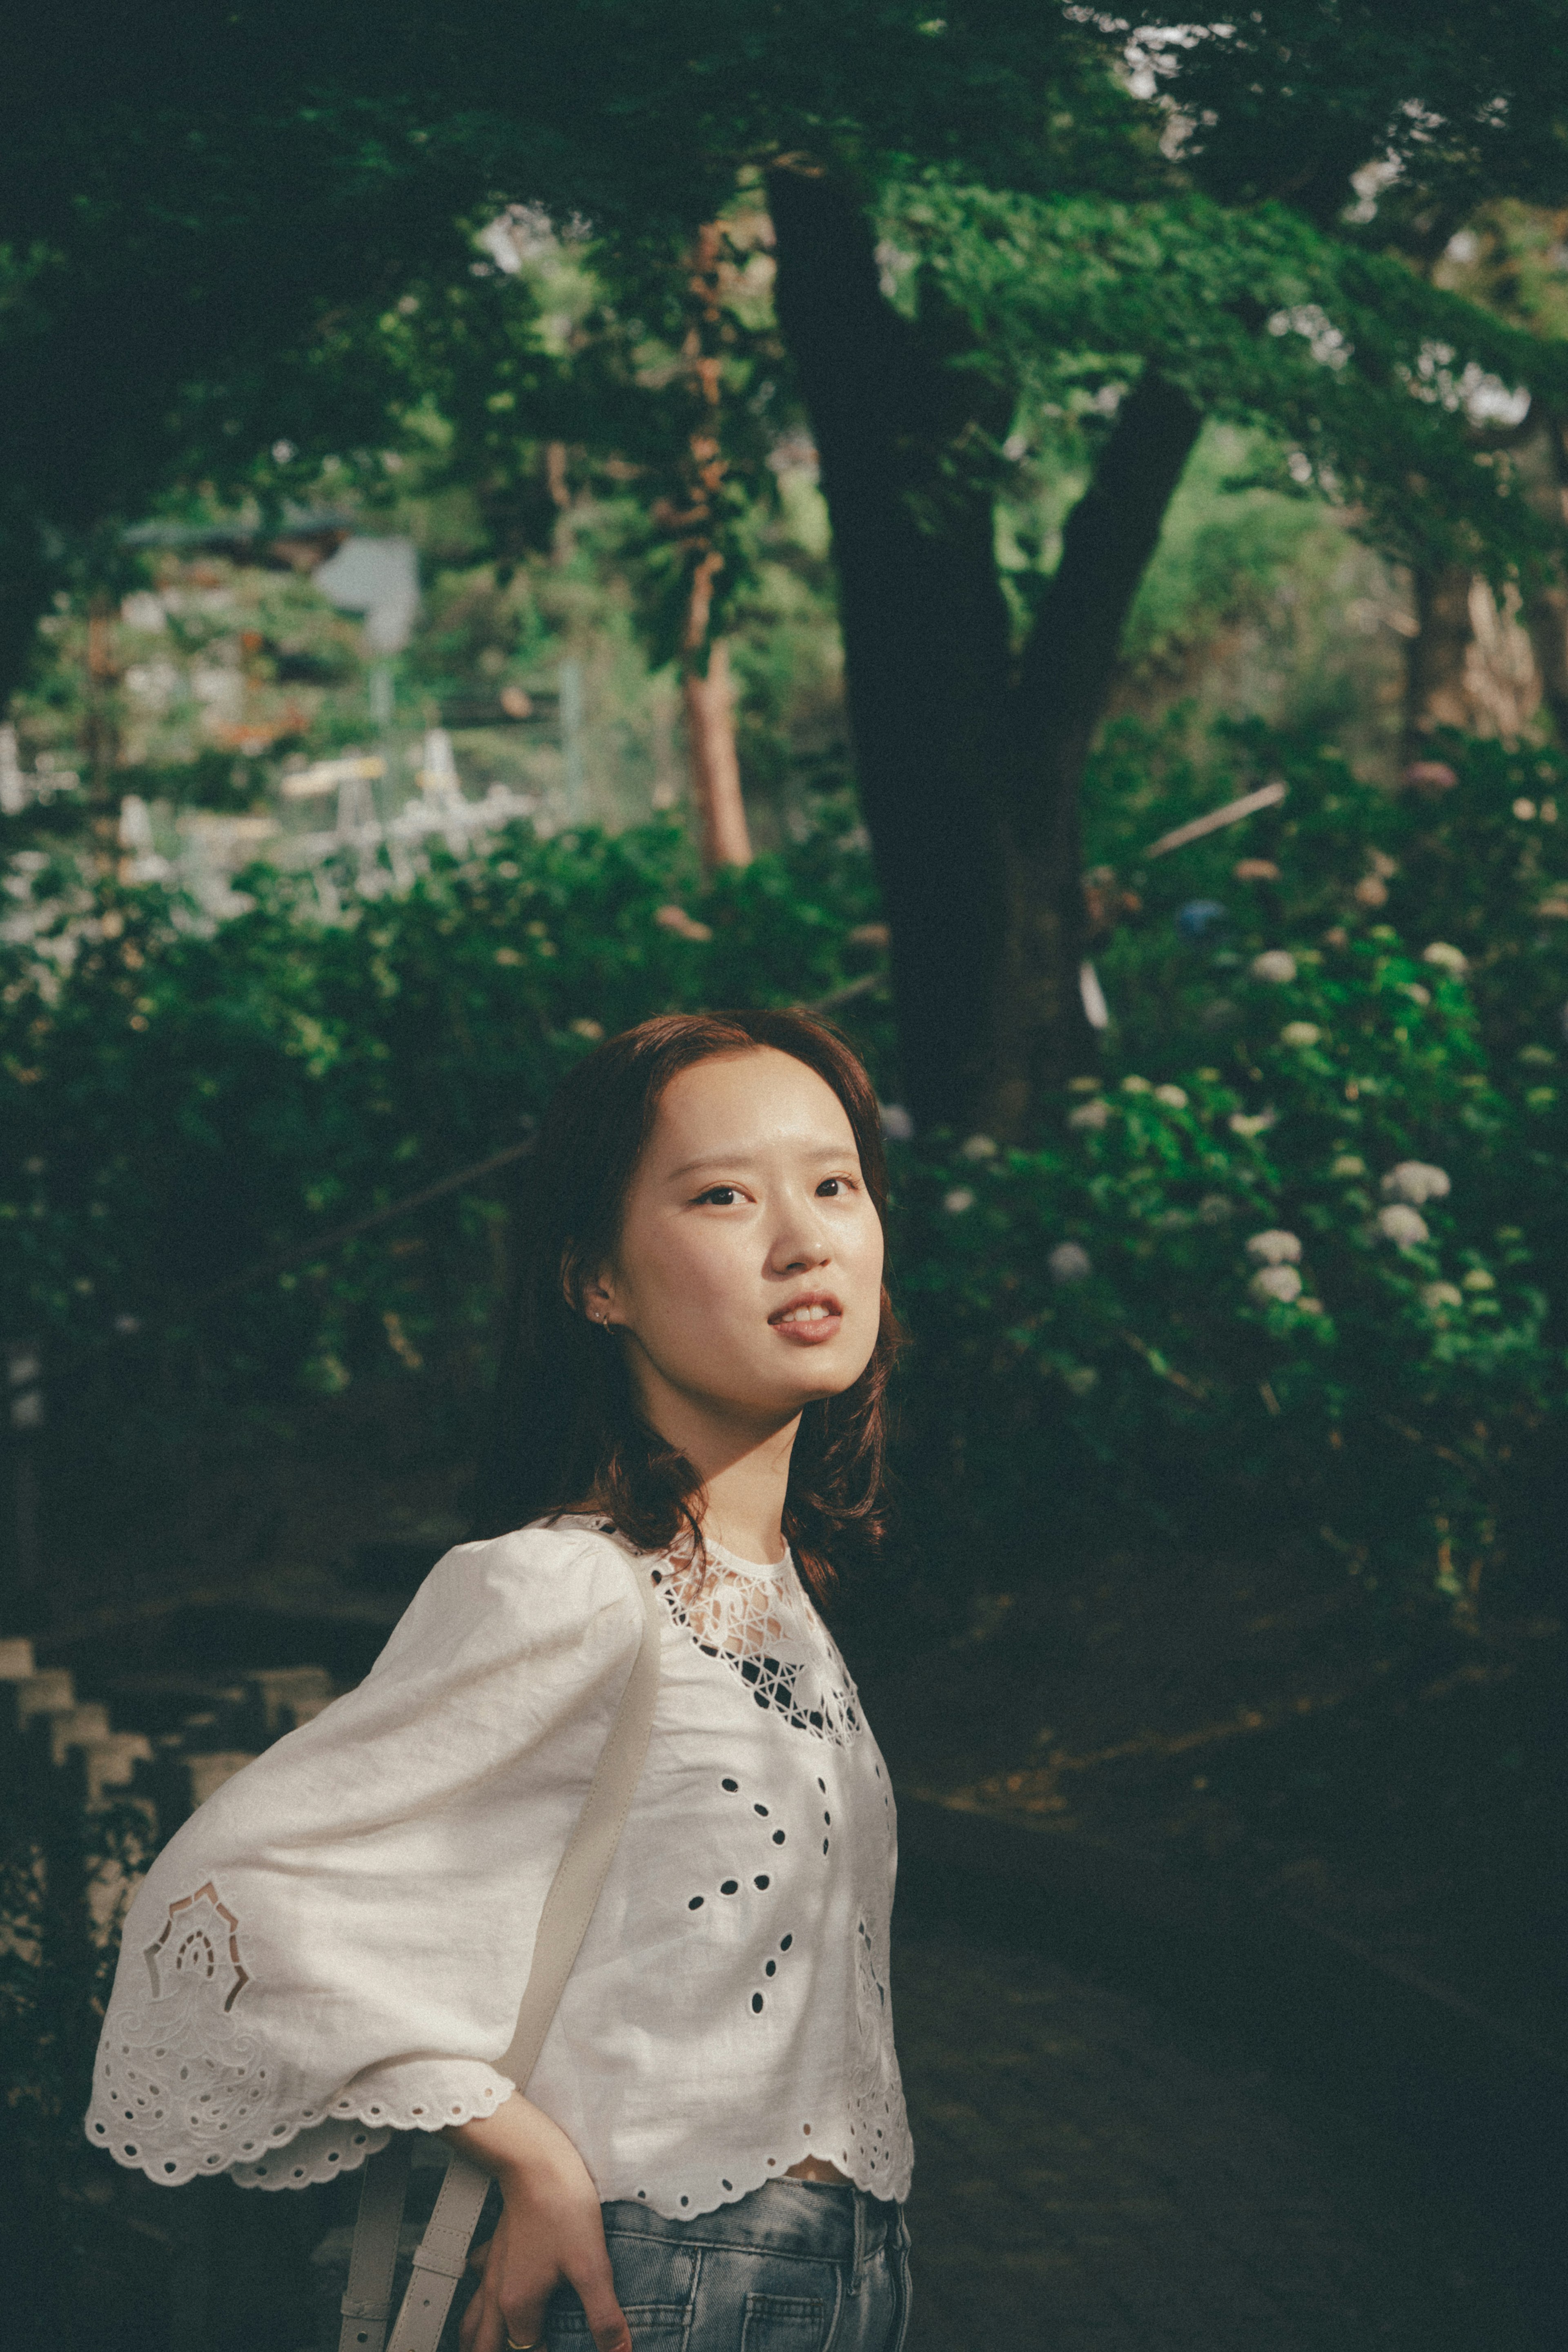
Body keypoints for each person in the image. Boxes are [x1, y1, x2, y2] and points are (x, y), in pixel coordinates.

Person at [86, 1008, 913, 2352]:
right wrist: (522, 2148)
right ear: (597, 1283)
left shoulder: (778, 1604)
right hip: (658, 2286)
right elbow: (220, 1902)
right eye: (722, 1197)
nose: (804, 1238)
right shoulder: (570, 1586)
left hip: (845, 2276)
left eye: (835, 1185)